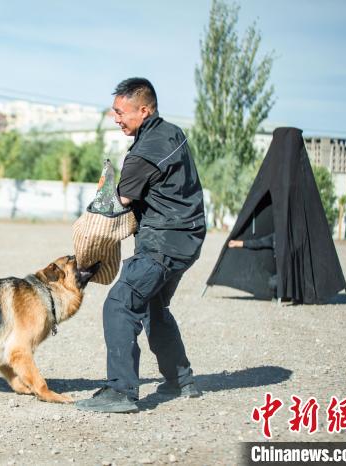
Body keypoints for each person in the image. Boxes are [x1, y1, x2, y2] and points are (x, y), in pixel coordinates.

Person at [76, 78, 207, 414]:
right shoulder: (172, 132)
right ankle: (181, 380)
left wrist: (88, 236)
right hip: (188, 239)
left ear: (144, 110)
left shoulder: (142, 155)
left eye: (121, 112)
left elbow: (115, 205)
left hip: (162, 244)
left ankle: (121, 392)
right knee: (152, 307)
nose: (115, 118)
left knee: (119, 305)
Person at [228, 233, 278, 297]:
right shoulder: (275, 236)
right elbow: (258, 243)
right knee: (273, 283)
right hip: (282, 275)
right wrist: (238, 243)